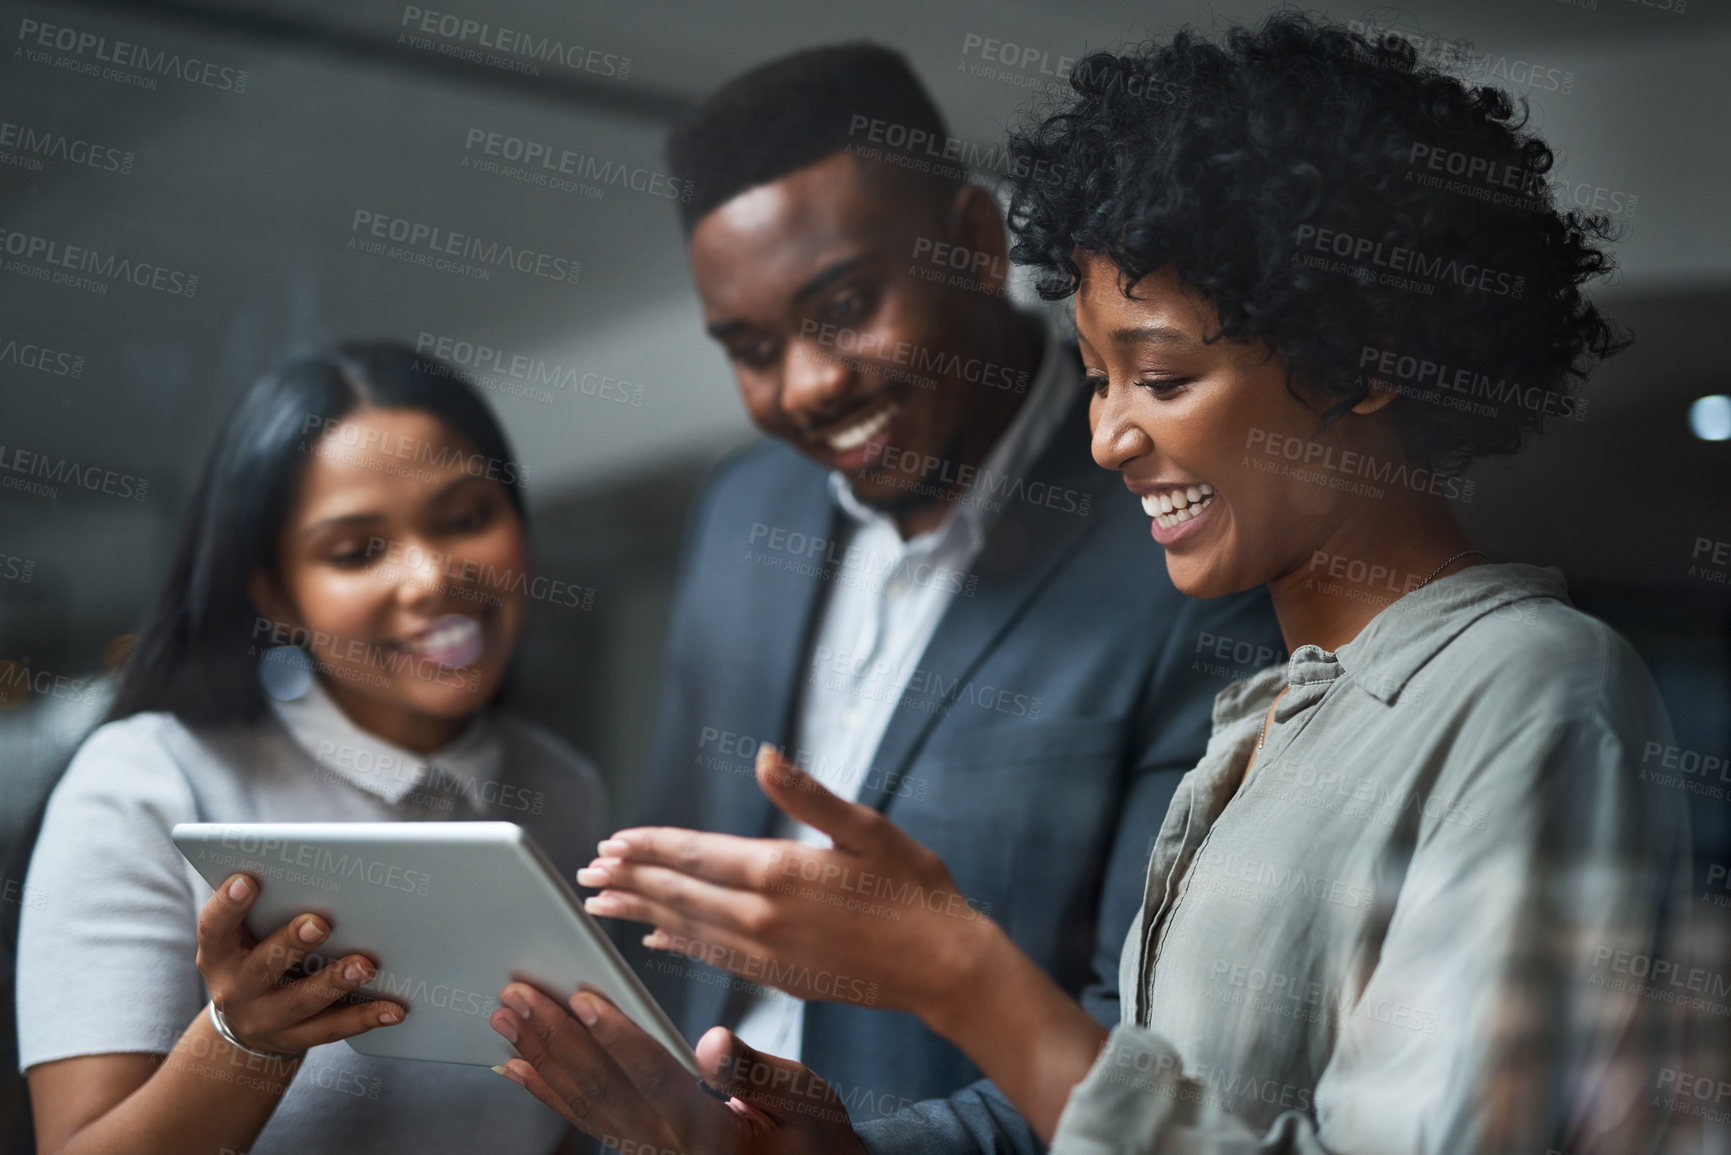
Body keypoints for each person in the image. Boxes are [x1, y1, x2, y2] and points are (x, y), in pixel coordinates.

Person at [485, 16, 1700, 1155]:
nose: (1109, 435)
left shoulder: (1538, 689)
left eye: (1160, 378)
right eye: (1096, 378)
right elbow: (1145, 1104)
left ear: (1357, 364)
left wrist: (956, 970)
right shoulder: (1265, 718)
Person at [578, 41, 1280, 1155]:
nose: (807, 386)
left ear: (975, 243)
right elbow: (664, 900)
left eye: (846, 305)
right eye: (751, 349)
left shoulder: (1188, 549)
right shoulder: (741, 514)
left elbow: (1151, 1046)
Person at [17, 342, 607, 1155]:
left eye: (467, 517)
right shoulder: (149, 781)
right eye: (358, 550)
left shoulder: (561, 787)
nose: (431, 577)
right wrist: (244, 1042)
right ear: (275, 595)